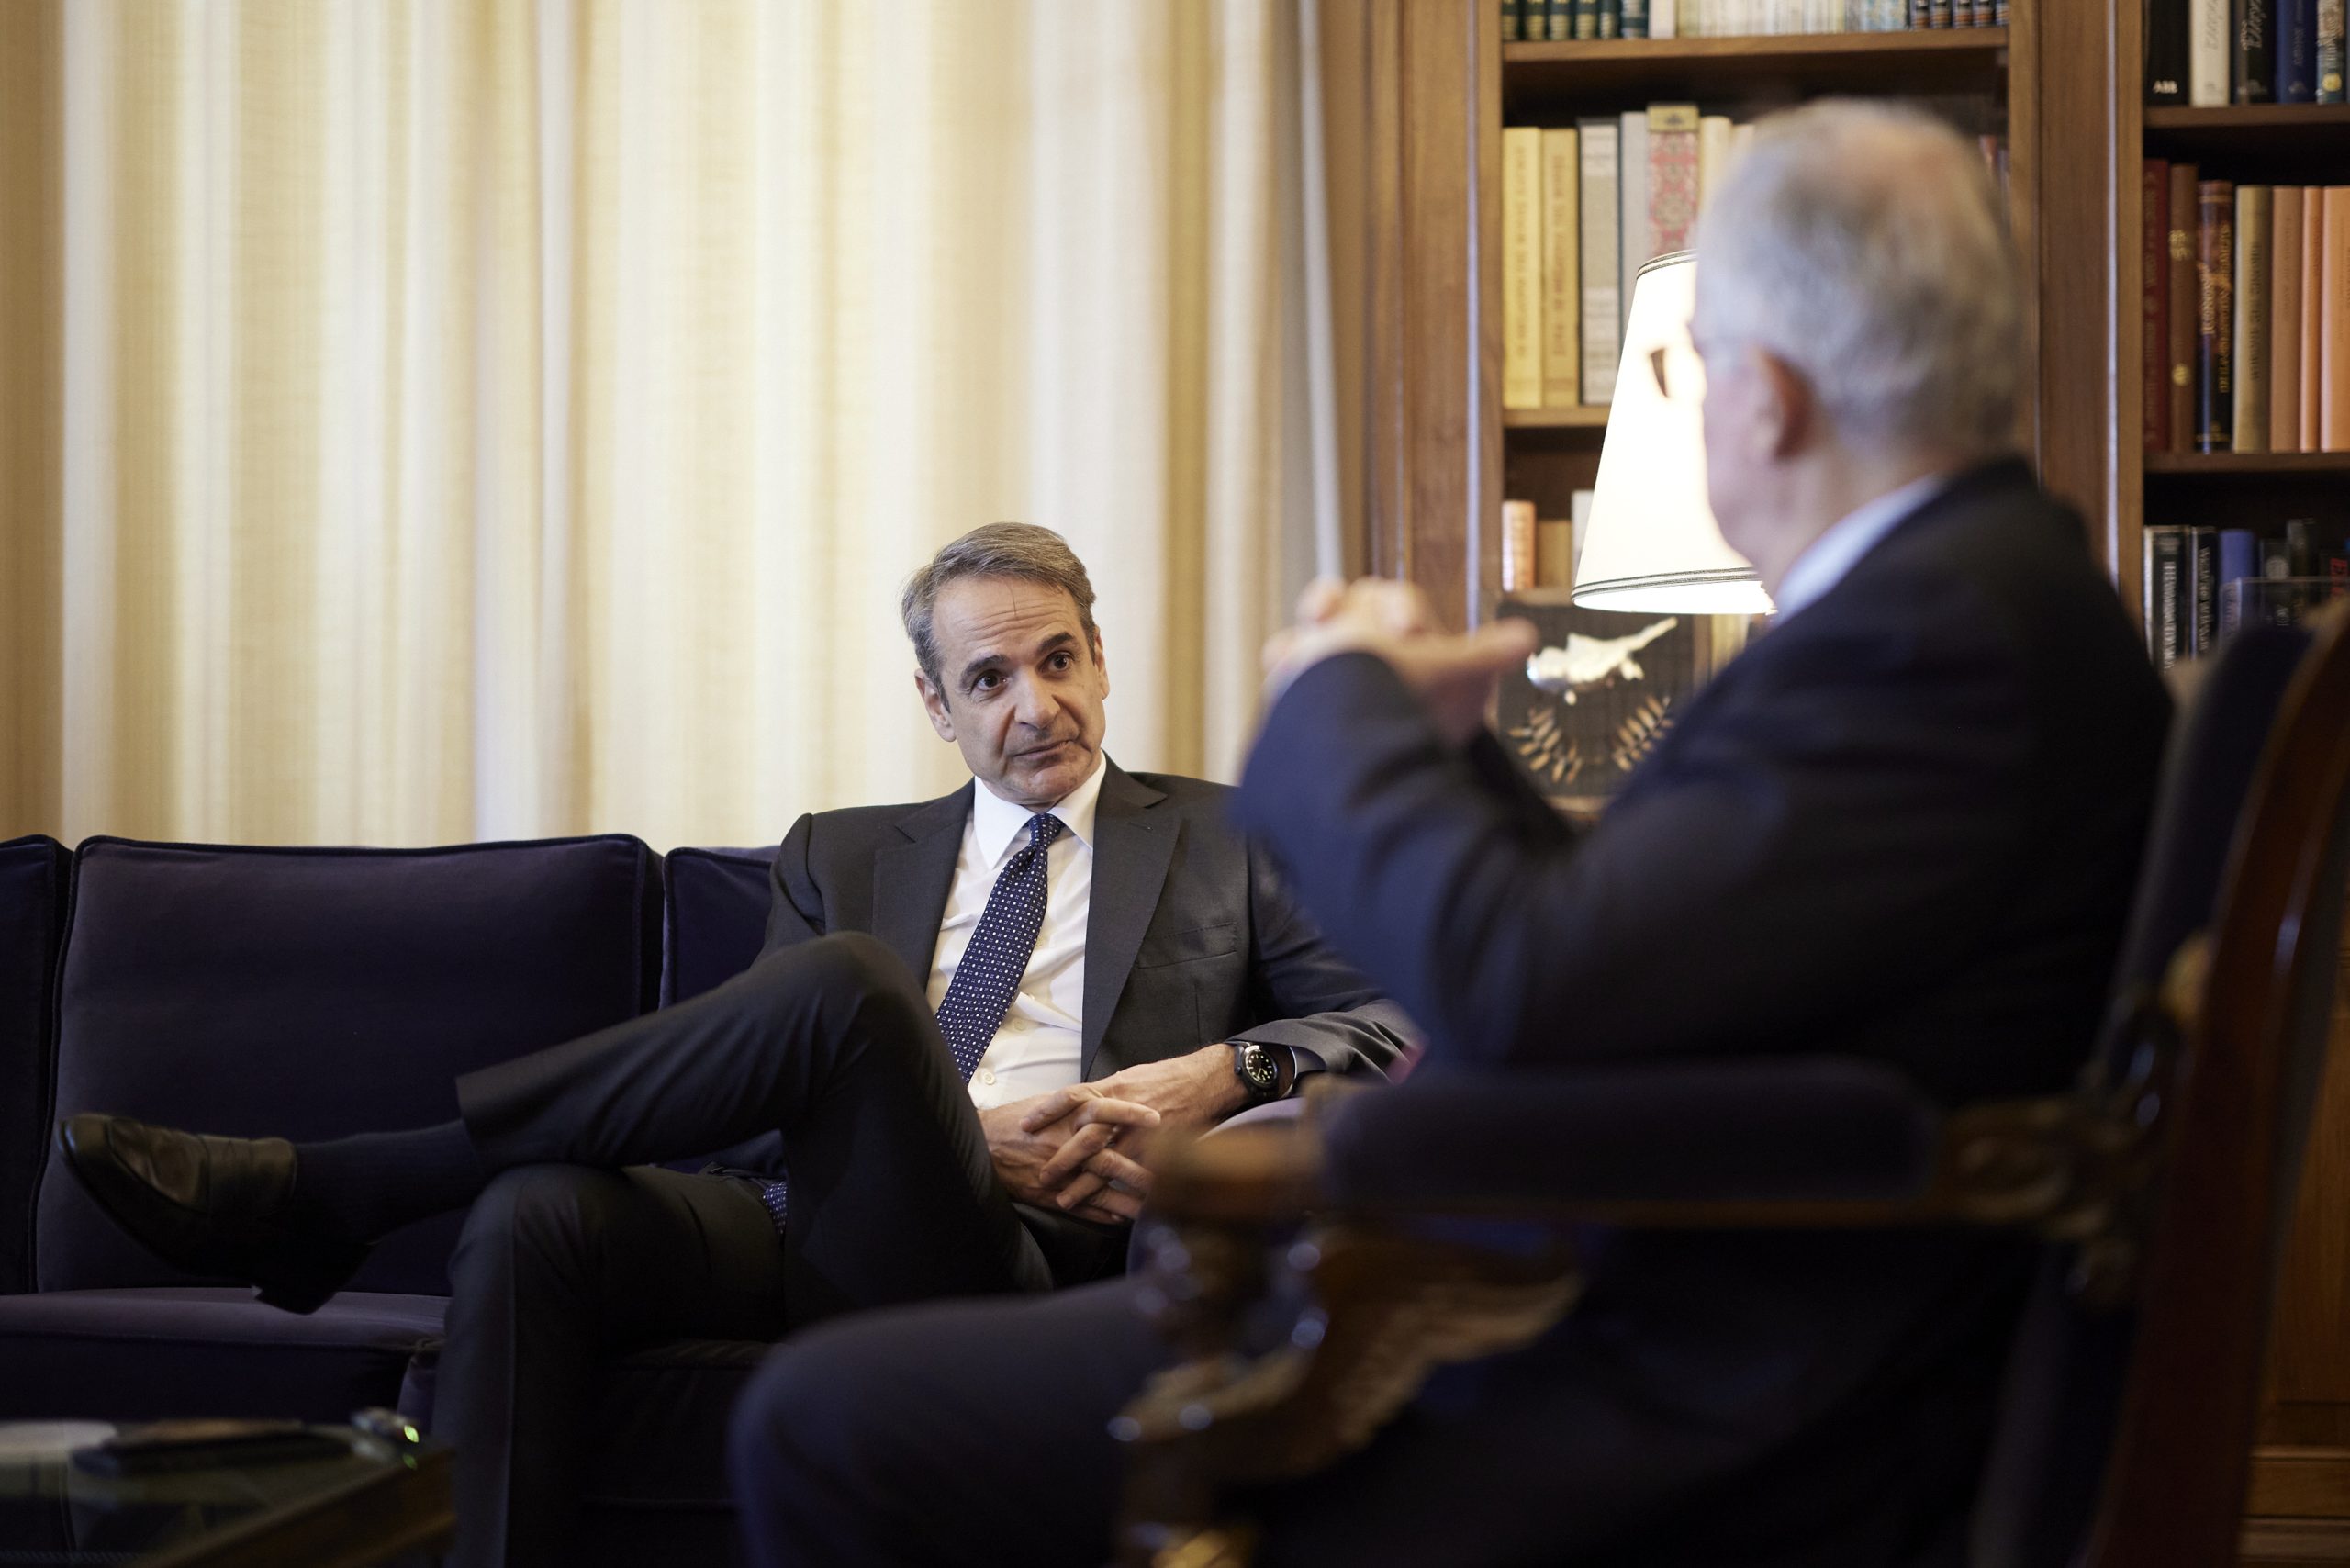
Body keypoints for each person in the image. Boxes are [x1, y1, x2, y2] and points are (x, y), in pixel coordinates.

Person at [721, 100, 2175, 1567]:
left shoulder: (1925, 645)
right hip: (1684, 1314)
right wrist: (1450, 753)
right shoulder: (1975, 611)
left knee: (821, 1422)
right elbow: (1632, 956)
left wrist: (1332, 701)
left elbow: (1528, 991)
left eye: (1685, 365)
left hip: (1688, 1386)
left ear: (1769, 396)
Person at [55, 523, 1413, 1568]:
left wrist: (1230, 1071)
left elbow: (1393, 1018)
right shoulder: (840, 853)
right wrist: (956, 1130)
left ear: (1101, 660)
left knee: (850, 988)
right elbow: (754, 1103)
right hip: (808, 1218)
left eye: (1058, 660)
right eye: (989, 679)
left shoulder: (1234, 835)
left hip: (1031, 1251)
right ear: (936, 705)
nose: (1034, 705)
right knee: (537, 1214)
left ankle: (349, 1187)